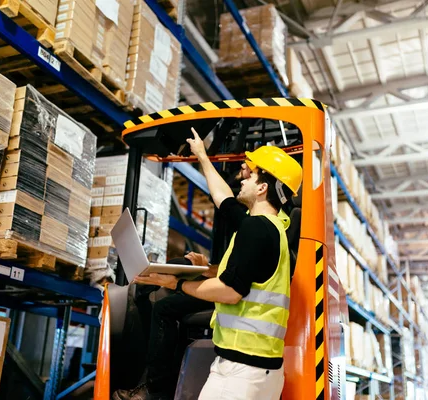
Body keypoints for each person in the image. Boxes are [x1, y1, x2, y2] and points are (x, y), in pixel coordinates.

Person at [133, 127, 303, 400]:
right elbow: (223, 200)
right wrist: (201, 156)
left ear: (262, 188)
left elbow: (229, 291)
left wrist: (177, 283)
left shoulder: (256, 229)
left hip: (240, 371)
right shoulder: (270, 229)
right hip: (263, 370)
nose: (242, 178)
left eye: (250, 173)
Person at [112, 252, 216, 400]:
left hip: (230, 292)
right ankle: (141, 286)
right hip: (226, 285)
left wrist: (206, 269)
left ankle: (155, 388)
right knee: (183, 263)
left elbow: (234, 273)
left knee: (164, 309)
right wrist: (204, 267)